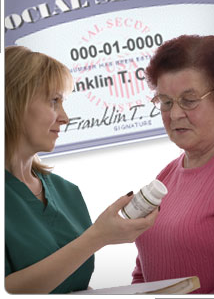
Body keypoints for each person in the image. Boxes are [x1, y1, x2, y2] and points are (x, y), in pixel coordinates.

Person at [5, 45, 160, 294]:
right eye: (54, 101)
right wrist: (97, 237)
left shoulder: (66, 192)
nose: (65, 117)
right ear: (13, 103)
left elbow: (70, 283)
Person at [131, 35, 214, 294]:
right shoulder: (166, 175)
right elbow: (142, 271)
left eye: (189, 100)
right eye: (165, 102)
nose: (175, 114)